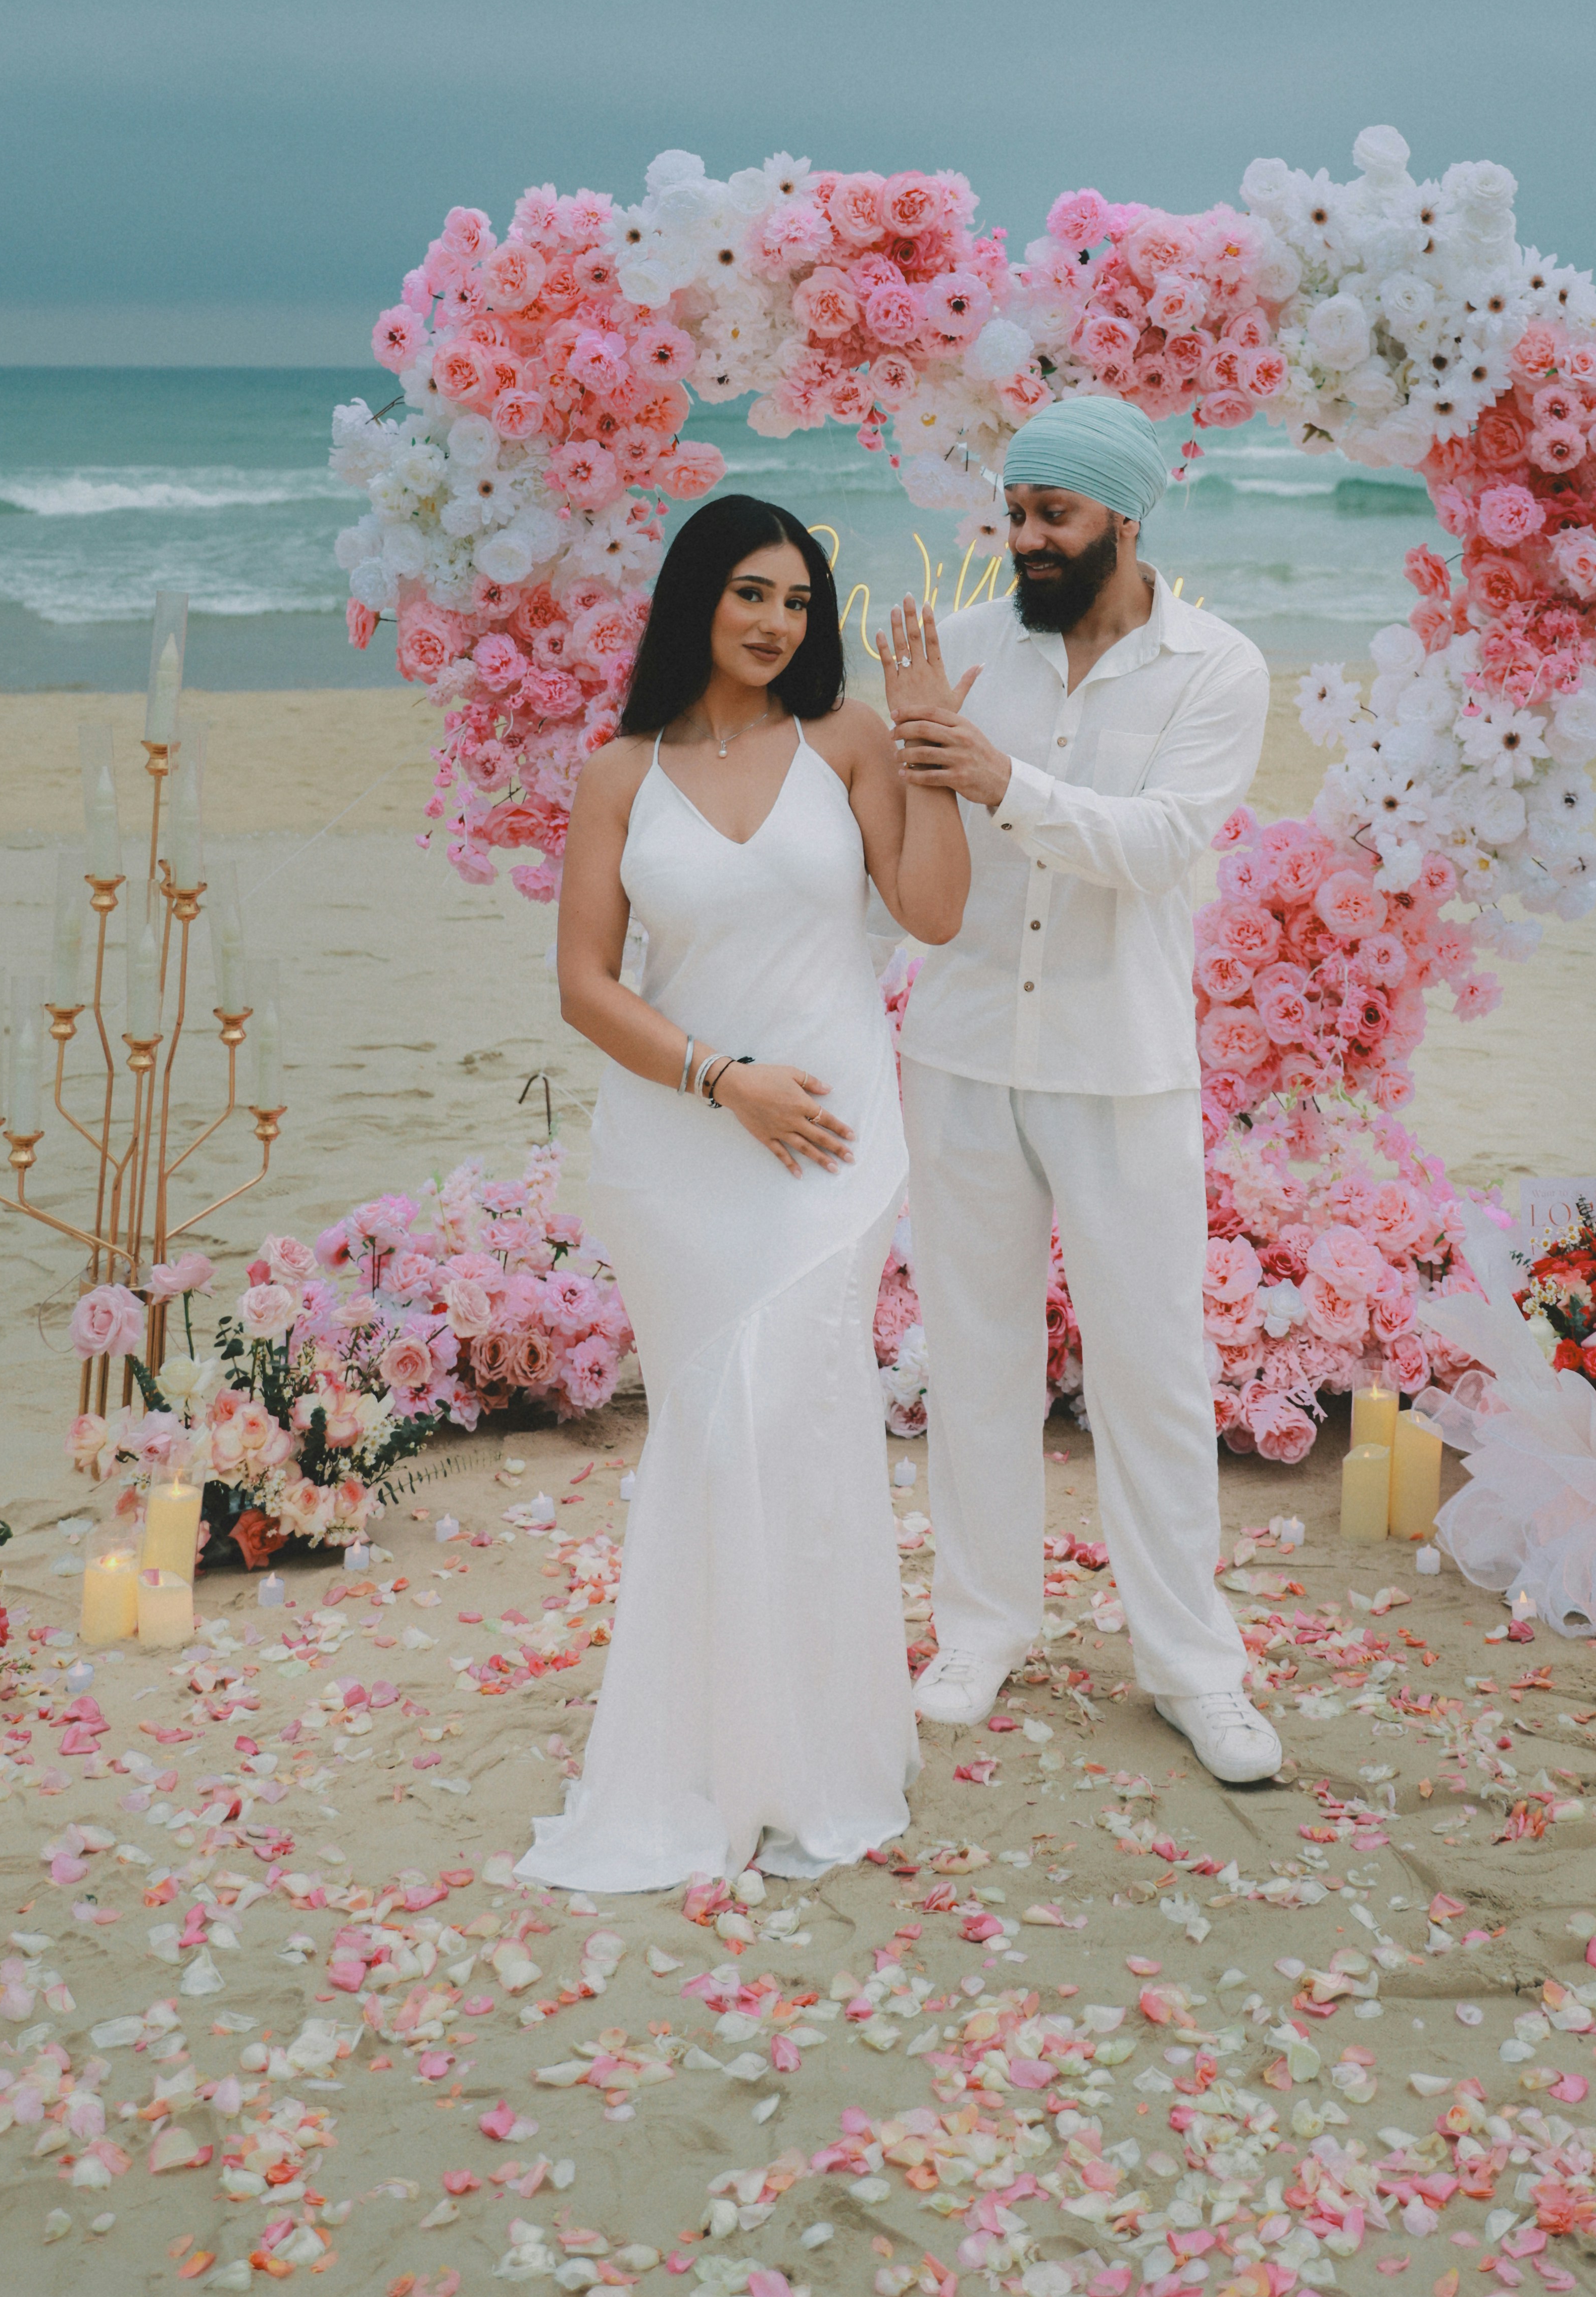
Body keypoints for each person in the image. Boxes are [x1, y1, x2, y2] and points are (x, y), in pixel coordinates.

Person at [519, 495, 970, 1890]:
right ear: (697, 600)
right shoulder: (618, 773)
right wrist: (724, 1080)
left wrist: (931, 741)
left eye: (796, 600)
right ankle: (713, 1756)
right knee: (717, 1435)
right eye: (750, 594)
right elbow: (585, 985)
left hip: (831, 1148)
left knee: (794, 1412)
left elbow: (936, 913)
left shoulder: (844, 743)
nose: (776, 622)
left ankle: (817, 1757)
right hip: (680, 1148)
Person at [883, 394, 1284, 1786]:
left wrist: (997, 780)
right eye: (1013, 515)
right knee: (974, 1357)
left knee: (1153, 1374)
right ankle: (982, 1629)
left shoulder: (1214, 668)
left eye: (1052, 515)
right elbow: (904, 839)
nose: (1025, 540)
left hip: (1121, 1067)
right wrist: (918, 748)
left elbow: (1163, 846)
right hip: (959, 1050)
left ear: (1125, 514)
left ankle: (1193, 1670)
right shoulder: (964, 655)